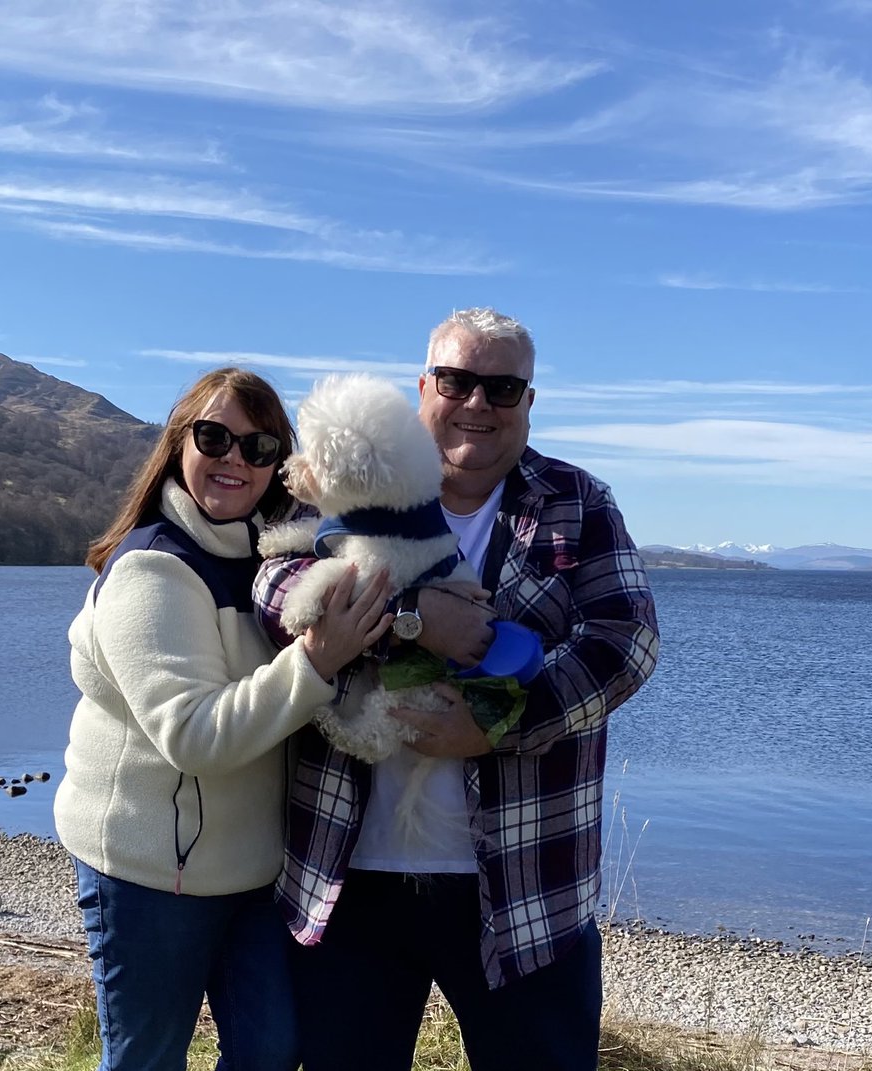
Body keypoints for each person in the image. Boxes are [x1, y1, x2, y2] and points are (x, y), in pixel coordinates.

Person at [255, 309, 660, 1071]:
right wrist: (409, 619)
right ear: (423, 388)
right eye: (458, 380)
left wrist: (500, 726)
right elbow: (276, 589)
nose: (478, 403)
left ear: (529, 403)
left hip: (525, 886)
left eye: (503, 387)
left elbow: (626, 641)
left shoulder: (579, 502)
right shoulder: (350, 480)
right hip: (349, 883)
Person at [54, 367, 391, 1071]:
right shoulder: (153, 569)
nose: (236, 458)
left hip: (251, 873)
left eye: (260, 446)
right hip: (150, 875)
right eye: (215, 437)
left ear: (279, 464)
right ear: (179, 443)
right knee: (147, 1058)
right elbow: (195, 735)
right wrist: (316, 662)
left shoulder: (264, 558)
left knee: (270, 1050)